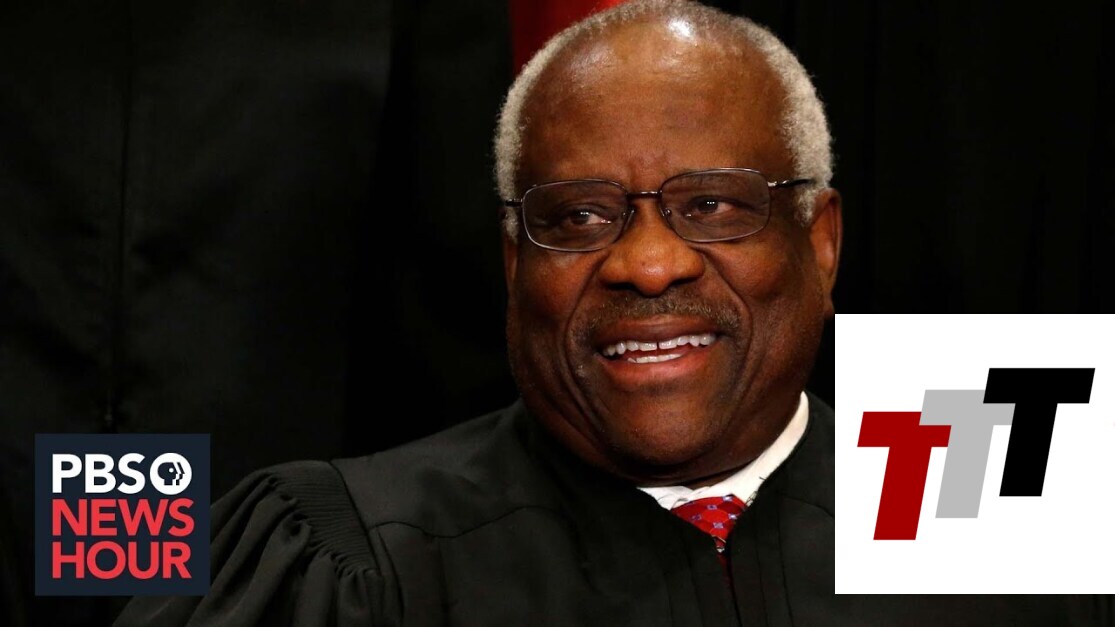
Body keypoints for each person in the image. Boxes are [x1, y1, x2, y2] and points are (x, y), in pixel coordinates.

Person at [114, 1, 1104, 625]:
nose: (646, 262)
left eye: (712, 205)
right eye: (578, 217)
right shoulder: (343, 559)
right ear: (514, 261)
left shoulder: (994, 502)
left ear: (819, 241)